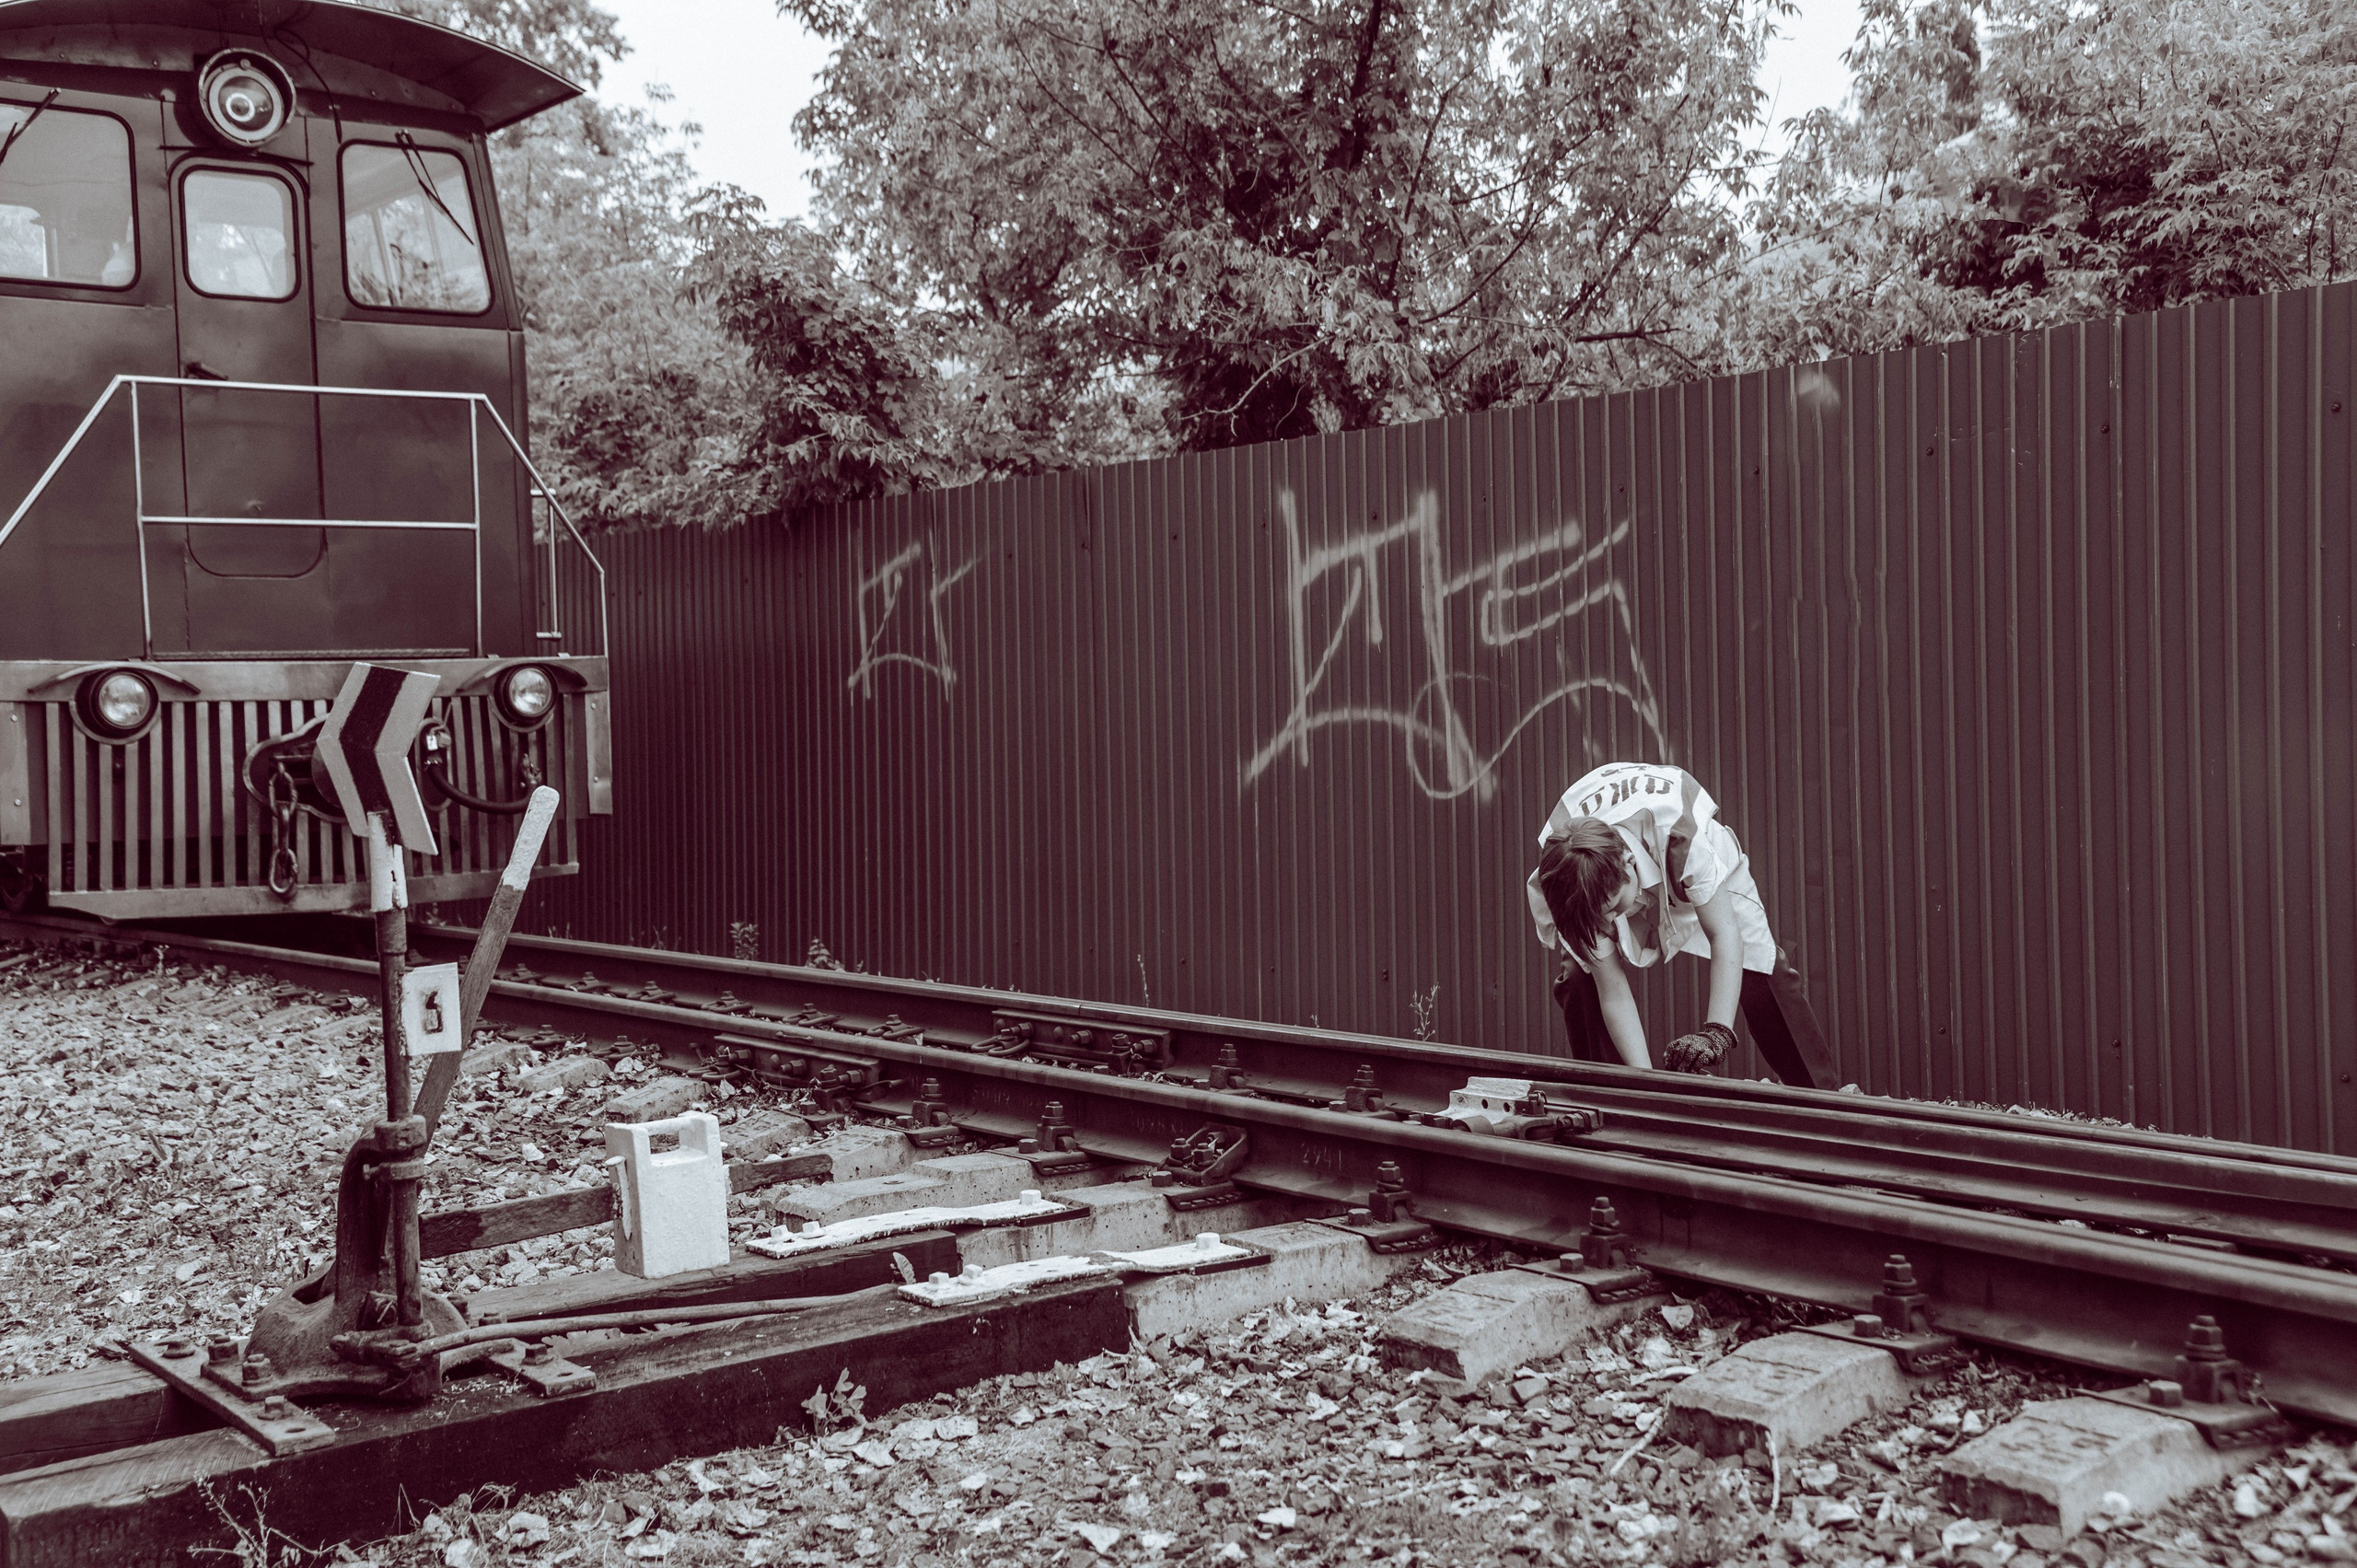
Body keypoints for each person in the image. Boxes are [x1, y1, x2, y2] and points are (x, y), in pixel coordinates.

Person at [1525, 761, 1838, 1086]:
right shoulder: (1567, 886)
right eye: (1603, 916)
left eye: (1617, 906)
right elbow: (1613, 991)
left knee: (1760, 964)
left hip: (1674, 846)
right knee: (1578, 979)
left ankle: (1819, 1094)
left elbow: (1724, 934)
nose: (1614, 921)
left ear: (1629, 864)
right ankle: (1615, 1093)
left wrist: (1716, 1032)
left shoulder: (1684, 839)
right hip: (1596, 870)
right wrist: (1647, 1084)